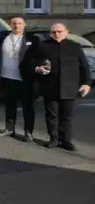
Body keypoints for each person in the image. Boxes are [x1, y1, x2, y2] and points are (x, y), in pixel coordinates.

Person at [29, 23, 91, 151]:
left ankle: (66, 140)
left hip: (70, 86)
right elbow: (29, 61)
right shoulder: (42, 45)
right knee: (52, 115)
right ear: (50, 33)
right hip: (50, 86)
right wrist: (37, 68)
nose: (57, 34)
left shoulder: (74, 46)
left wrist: (86, 83)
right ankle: (54, 139)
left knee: (67, 116)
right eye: (54, 32)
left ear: (66, 32)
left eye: (59, 31)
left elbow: (85, 67)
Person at [0, 17, 39, 142]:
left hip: (24, 78)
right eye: (14, 23)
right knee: (10, 105)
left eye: (19, 23)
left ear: (24, 25)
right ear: (10, 25)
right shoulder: (2, 37)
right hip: (7, 77)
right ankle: (9, 128)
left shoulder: (32, 39)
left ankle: (28, 132)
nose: (16, 26)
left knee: (27, 107)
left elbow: (37, 56)